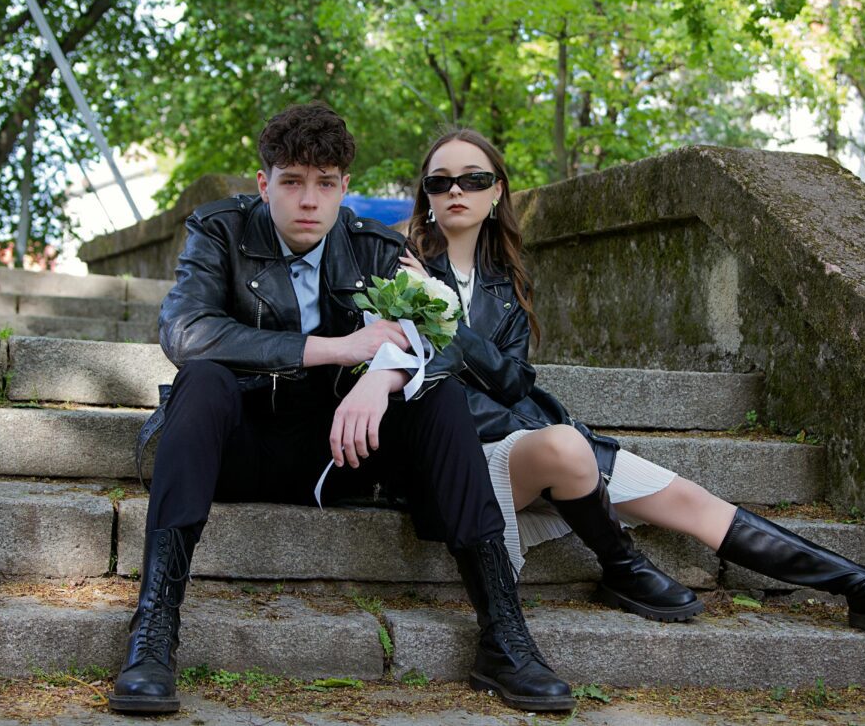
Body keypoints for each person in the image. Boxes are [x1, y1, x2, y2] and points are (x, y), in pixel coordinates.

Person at [109, 104, 577, 715]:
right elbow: (186, 331)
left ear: (344, 189)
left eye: (325, 183)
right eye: (292, 181)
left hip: (344, 451)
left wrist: (378, 377)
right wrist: (337, 348)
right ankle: (153, 630)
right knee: (202, 380)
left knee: (434, 397)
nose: (309, 200)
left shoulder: (374, 248)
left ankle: (503, 636)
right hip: (236, 446)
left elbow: (429, 335)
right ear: (263, 184)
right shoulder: (218, 230)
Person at [402, 127, 865, 641]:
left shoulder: (507, 282)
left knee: (691, 501)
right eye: (439, 182)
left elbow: (514, 382)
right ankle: (623, 564)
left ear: (496, 193)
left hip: (537, 441)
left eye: (473, 179)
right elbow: (427, 389)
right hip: (461, 462)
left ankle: (862, 586)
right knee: (567, 447)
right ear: (425, 196)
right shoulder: (399, 270)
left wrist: (455, 329)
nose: (454, 191)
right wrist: (447, 319)